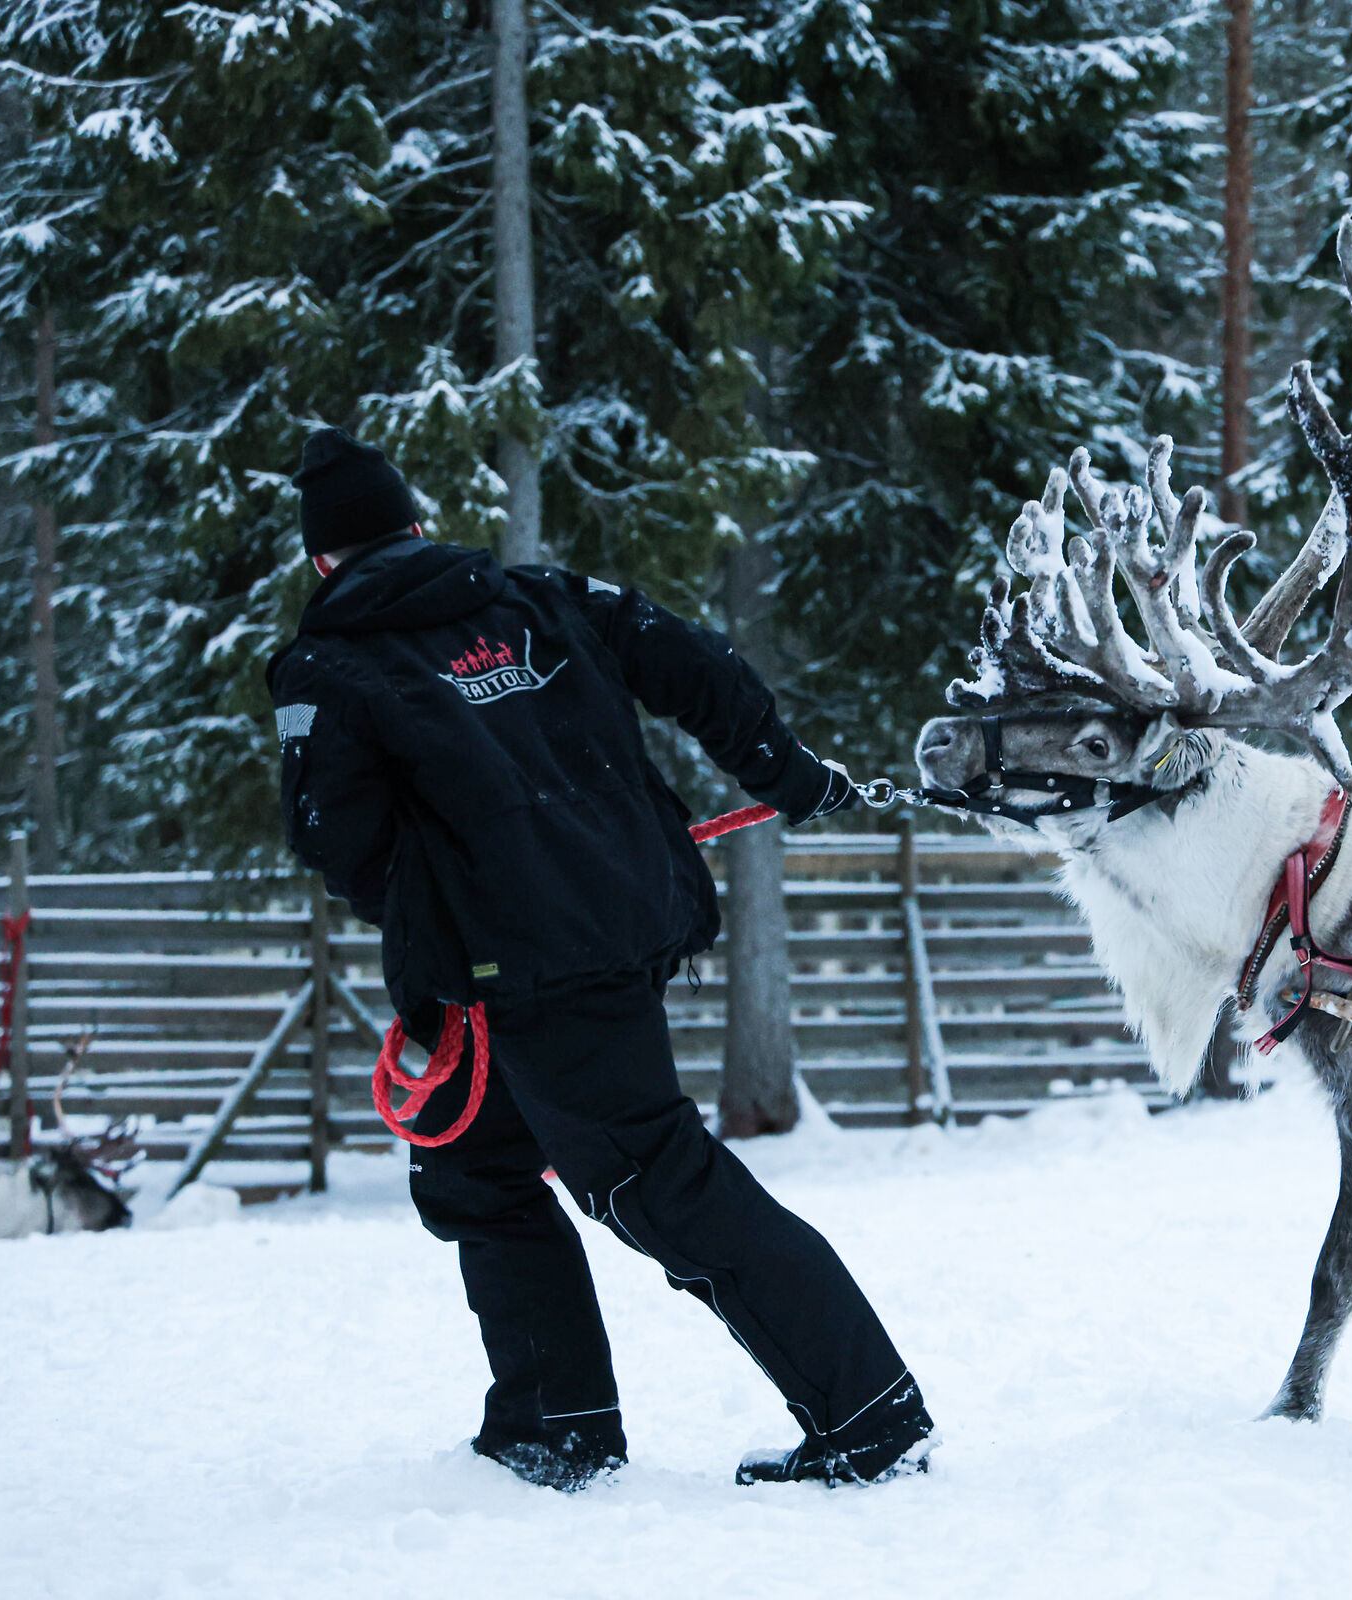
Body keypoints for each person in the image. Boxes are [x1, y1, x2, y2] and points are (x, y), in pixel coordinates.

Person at [268, 428, 932, 1492]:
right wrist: (789, 773)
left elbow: (329, 836)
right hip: (606, 925)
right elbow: (693, 659)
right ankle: (554, 1422)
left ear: (321, 563)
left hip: (533, 968)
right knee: (476, 1168)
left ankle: (869, 1414)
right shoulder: (540, 598)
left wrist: (438, 907)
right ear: (420, 527)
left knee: (654, 1181)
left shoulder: (330, 666)